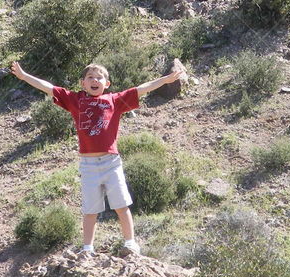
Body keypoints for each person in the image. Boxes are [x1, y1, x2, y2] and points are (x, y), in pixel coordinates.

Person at [11, 60, 185, 256]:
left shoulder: (114, 100)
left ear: (107, 84)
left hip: (111, 163)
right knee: (90, 210)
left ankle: (130, 244)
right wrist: (24, 76)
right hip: (88, 165)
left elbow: (141, 89)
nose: (95, 80)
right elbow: (50, 88)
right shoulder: (75, 100)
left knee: (121, 205)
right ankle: (87, 249)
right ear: (82, 83)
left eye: (99, 77)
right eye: (90, 77)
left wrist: (166, 80)